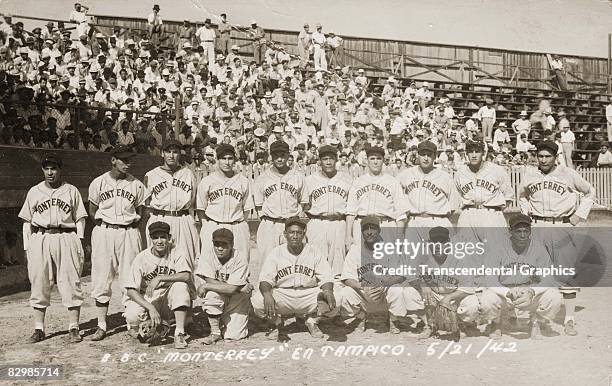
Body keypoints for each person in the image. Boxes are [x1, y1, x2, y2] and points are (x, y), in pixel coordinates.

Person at [518, 140, 595, 336]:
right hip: (537, 226)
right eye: (540, 156)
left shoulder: (567, 173)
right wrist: (526, 214)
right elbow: (522, 195)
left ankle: (569, 319)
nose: (543, 160)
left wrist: (579, 215)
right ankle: (535, 317)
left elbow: (589, 191)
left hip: (561, 225)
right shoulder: (530, 174)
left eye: (547, 156)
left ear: (555, 157)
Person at [19, 155, 87, 343]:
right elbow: (26, 223)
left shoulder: (71, 190)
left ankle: (73, 327)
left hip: (66, 236)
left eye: (54, 168)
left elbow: (80, 219)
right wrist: (27, 249)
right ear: (42, 170)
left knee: (71, 281)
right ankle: (39, 328)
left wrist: (79, 242)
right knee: (39, 281)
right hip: (40, 237)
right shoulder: (34, 191)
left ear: (60, 169)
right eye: (47, 168)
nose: (50, 172)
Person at [88, 146, 149, 341]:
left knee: (130, 278)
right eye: (123, 159)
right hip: (104, 232)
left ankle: (131, 322)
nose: (127, 163)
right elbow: (92, 210)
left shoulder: (137, 185)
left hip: (128, 232)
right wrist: (105, 226)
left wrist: (130, 226)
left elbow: (142, 212)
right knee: (101, 277)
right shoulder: (98, 183)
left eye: (130, 159)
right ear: (113, 160)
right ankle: (101, 325)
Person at [251, 217, 337, 341]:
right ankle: (276, 323)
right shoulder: (276, 252)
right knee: (259, 299)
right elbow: (265, 279)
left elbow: (326, 276)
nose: (295, 236)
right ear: (285, 234)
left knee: (338, 297)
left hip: (308, 294)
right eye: (291, 232)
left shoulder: (314, 251)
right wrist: (267, 294)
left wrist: (328, 292)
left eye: (299, 232)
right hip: (283, 294)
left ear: (304, 234)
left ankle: (312, 321)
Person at [479, 214, 563, 339]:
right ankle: (496, 323)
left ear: (530, 231)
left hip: (528, 292)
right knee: (486, 299)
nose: (523, 235)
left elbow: (548, 278)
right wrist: (507, 292)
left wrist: (532, 291)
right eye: (518, 231)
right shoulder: (497, 248)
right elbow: (490, 279)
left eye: (526, 231)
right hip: (504, 291)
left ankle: (536, 322)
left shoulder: (538, 248)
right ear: (510, 231)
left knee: (554, 296)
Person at [338, 216, 423, 334]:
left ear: (379, 231)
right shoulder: (356, 250)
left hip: (384, 294)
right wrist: (362, 286)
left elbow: (402, 275)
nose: (369, 232)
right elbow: (347, 278)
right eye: (365, 229)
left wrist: (384, 283)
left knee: (397, 290)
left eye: (372, 228)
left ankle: (393, 319)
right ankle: (360, 316)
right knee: (345, 293)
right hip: (364, 294)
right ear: (361, 232)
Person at [124, 221, 193, 349]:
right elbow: (131, 290)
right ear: (151, 239)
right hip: (149, 298)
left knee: (180, 286)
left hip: (169, 296)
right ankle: (151, 324)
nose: (159, 241)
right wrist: (150, 308)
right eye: (155, 237)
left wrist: (160, 278)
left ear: (169, 237)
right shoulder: (141, 258)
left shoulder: (176, 251)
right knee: (132, 315)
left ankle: (179, 332)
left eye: (163, 237)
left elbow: (186, 276)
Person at [144, 139, 199, 266]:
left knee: (186, 260)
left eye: (175, 152)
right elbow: (146, 205)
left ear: (180, 154)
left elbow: (193, 200)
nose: (171, 155)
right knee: (158, 262)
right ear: (162, 153)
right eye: (168, 152)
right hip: (159, 218)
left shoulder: (188, 174)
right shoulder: (151, 175)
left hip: (182, 219)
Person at [197, 144, 254, 261]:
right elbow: (200, 208)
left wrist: (240, 225)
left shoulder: (243, 181)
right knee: (210, 265)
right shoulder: (207, 181)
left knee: (239, 263)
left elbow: (247, 209)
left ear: (234, 160)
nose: (227, 162)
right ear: (217, 160)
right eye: (223, 158)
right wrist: (205, 226)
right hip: (214, 224)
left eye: (230, 158)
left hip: (236, 225)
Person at [253, 141, 306, 262]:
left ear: (288, 155)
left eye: (283, 155)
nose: (280, 159)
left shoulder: (297, 177)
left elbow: (303, 201)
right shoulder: (263, 178)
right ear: (271, 156)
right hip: (270, 225)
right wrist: (268, 220)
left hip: (291, 224)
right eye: (276, 155)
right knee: (268, 263)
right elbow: (258, 205)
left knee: (292, 262)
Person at [195, 228, 251, 344]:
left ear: (232, 244)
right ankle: (215, 332)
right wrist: (238, 287)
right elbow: (211, 282)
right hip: (229, 293)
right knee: (211, 294)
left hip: (237, 299)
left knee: (234, 335)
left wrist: (232, 288)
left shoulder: (239, 257)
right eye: (216, 244)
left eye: (224, 245)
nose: (220, 248)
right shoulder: (207, 255)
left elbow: (230, 289)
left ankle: (221, 320)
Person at [304, 145, 352, 275]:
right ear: (319, 161)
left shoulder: (347, 179)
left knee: (338, 263)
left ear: (336, 160)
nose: (329, 162)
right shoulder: (309, 181)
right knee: (316, 262)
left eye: (331, 159)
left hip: (339, 222)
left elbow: (351, 208)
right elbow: (303, 205)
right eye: (325, 159)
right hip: (317, 222)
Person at [397, 140, 458, 241]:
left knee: (440, 255)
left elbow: (454, 208)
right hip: (413, 222)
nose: (426, 158)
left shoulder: (445, 177)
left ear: (434, 156)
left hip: (438, 221)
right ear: (417, 155)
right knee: (413, 256)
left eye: (429, 155)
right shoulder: (405, 175)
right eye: (422, 154)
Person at [345, 145, 404, 249]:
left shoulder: (393, 182)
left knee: (386, 262)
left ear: (383, 161)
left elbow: (401, 214)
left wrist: (399, 237)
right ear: (367, 161)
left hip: (385, 225)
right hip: (362, 225)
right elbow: (350, 212)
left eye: (378, 158)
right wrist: (348, 235)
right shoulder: (358, 182)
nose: (375, 162)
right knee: (361, 262)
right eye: (372, 159)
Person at [454, 139, 513, 242]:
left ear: (483, 153)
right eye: (470, 151)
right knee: (467, 252)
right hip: (468, 214)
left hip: (491, 214)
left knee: (495, 253)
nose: (473, 155)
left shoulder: (497, 170)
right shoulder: (460, 173)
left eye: (477, 151)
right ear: (466, 154)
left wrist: (495, 211)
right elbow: (456, 196)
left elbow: (509, 195)